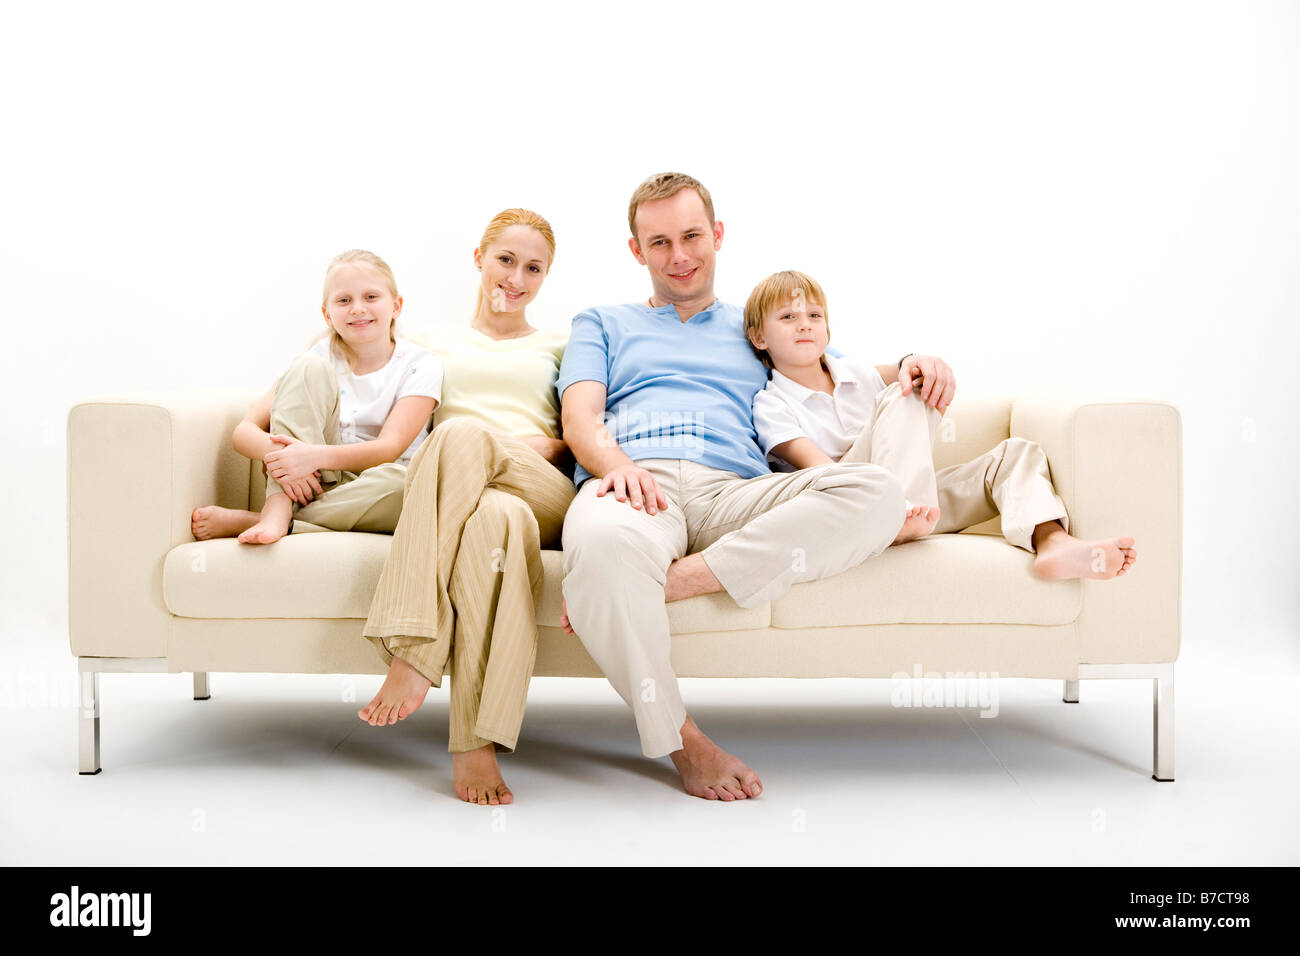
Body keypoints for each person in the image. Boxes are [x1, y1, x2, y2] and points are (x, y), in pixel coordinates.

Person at [556, 172, 954, 802]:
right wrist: (614, 467)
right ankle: (683, 741)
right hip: (636, 483)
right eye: (659, 243)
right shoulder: (601, 322)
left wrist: (915, 361)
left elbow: (833, 368)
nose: (679, 255)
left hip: (734, 493)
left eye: (691, 235)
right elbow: (580, 418)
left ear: (717, 235)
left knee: (875, 492)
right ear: (636, 251)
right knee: (603, 550)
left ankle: (681, 579)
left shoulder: (754, 325)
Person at [357, 209, 575, 807]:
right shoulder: (427, 342)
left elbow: (582, 430)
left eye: (534, 268)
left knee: (459, 434)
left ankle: (414, 648)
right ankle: (474, 744)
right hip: (475, 499)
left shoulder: (564, 344)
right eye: (506, 260)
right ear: (478, 258)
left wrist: (523, 444)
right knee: (492, 523)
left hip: (542, 486)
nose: (517, 277)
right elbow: (343, 366)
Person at [745, 269, 1137, 578]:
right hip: (849, 503)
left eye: (814, 315)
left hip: (914, 512)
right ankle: (898, 513)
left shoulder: (856, 374)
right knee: (901, 394)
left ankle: (1052, 542)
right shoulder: (771, 403)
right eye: (788, 316)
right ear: (759, 336)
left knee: (1014, 453)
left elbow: (907, 367)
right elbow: (823, 473)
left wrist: (922, 366)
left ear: (827, 330)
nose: (805, 325)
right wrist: (885, 506)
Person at [191, 250, 441, 544]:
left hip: (375, 485)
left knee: (407, 489)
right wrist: (287, 461)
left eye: (371, 297)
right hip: (312, 483)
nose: (358, 308)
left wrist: (310, 457)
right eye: (344, 300)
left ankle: (273, 520)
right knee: (308, 368)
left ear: (396, 306)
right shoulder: (317, 358)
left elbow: (389, 447)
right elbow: (243, 433)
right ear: (327, 314)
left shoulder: (420, 364)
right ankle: (278, 506)